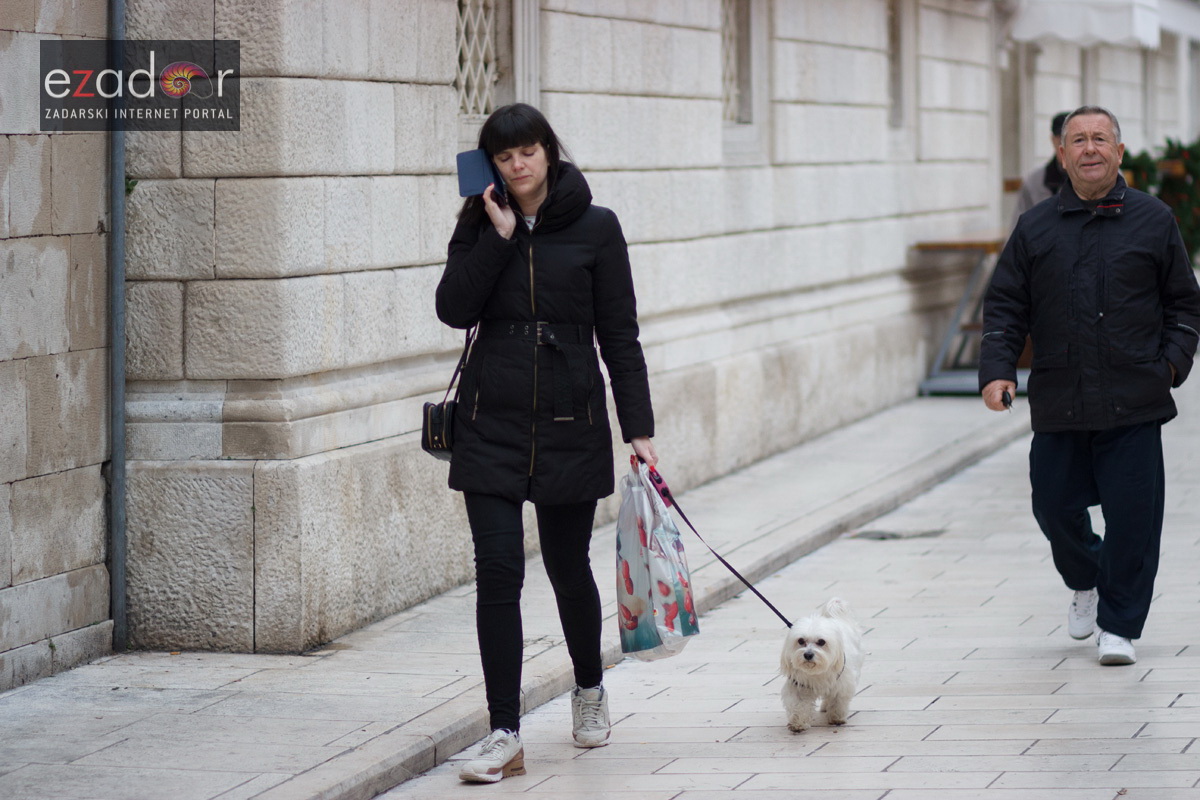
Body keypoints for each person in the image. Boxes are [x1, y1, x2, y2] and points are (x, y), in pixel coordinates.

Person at [436, 103, 658, 783]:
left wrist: (638, 428)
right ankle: (504, 732)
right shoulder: (479, 224)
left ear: (549, 151)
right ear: (491, 166)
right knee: (498, 573)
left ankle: (589, 688)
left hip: (569, 421)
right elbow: (453, 309)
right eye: (504, 157)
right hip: (491, 422)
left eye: (528, 151)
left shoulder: (597, 227)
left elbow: (619, 334)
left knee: (567, 566)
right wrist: (499, 239)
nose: (518, 165)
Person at [980, 106, 1200, 666]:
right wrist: (998, 370)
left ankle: (1119, 626)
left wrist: (1170, 367)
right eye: (1078, 140)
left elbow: (1184, 305)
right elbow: (1005, 305)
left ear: (1119, 152)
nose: (1090, 148)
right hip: (1061, 396)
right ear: (1062, 155)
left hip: (1135, 397)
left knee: (1133, 520)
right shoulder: (1035, 227)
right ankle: (1086, 578)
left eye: (1101, 138)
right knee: (1053, 506)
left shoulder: (1154, 219)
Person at [1009, 111, 1071, 228]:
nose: (1066, 147)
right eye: (1061, 141)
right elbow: (1017, 228)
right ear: (1053, 140)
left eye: (1074, 140)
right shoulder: (1034, 182)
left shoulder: (1096, 178)